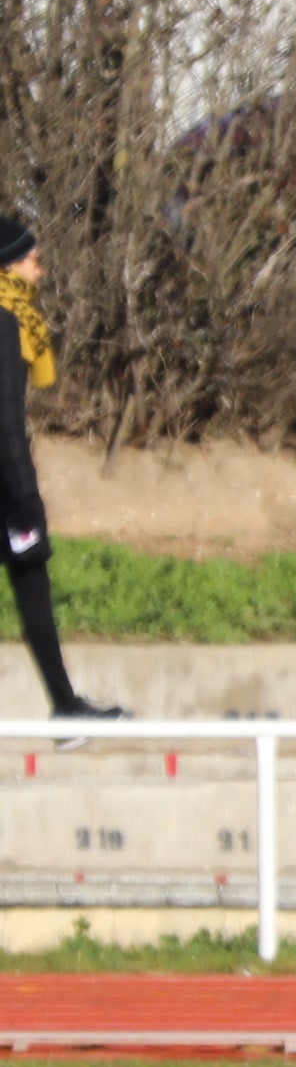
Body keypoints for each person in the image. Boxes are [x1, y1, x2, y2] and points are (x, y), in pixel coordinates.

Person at [0, 216, 122, 727]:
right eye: (34, 260)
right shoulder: (6, 318)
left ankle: (66, 707)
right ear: (8, 264)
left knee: (32, 582)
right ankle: (66, 708)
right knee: (32, 582)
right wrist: (24, 492)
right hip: (6, 484)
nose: (41, 270)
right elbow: (5, 412)